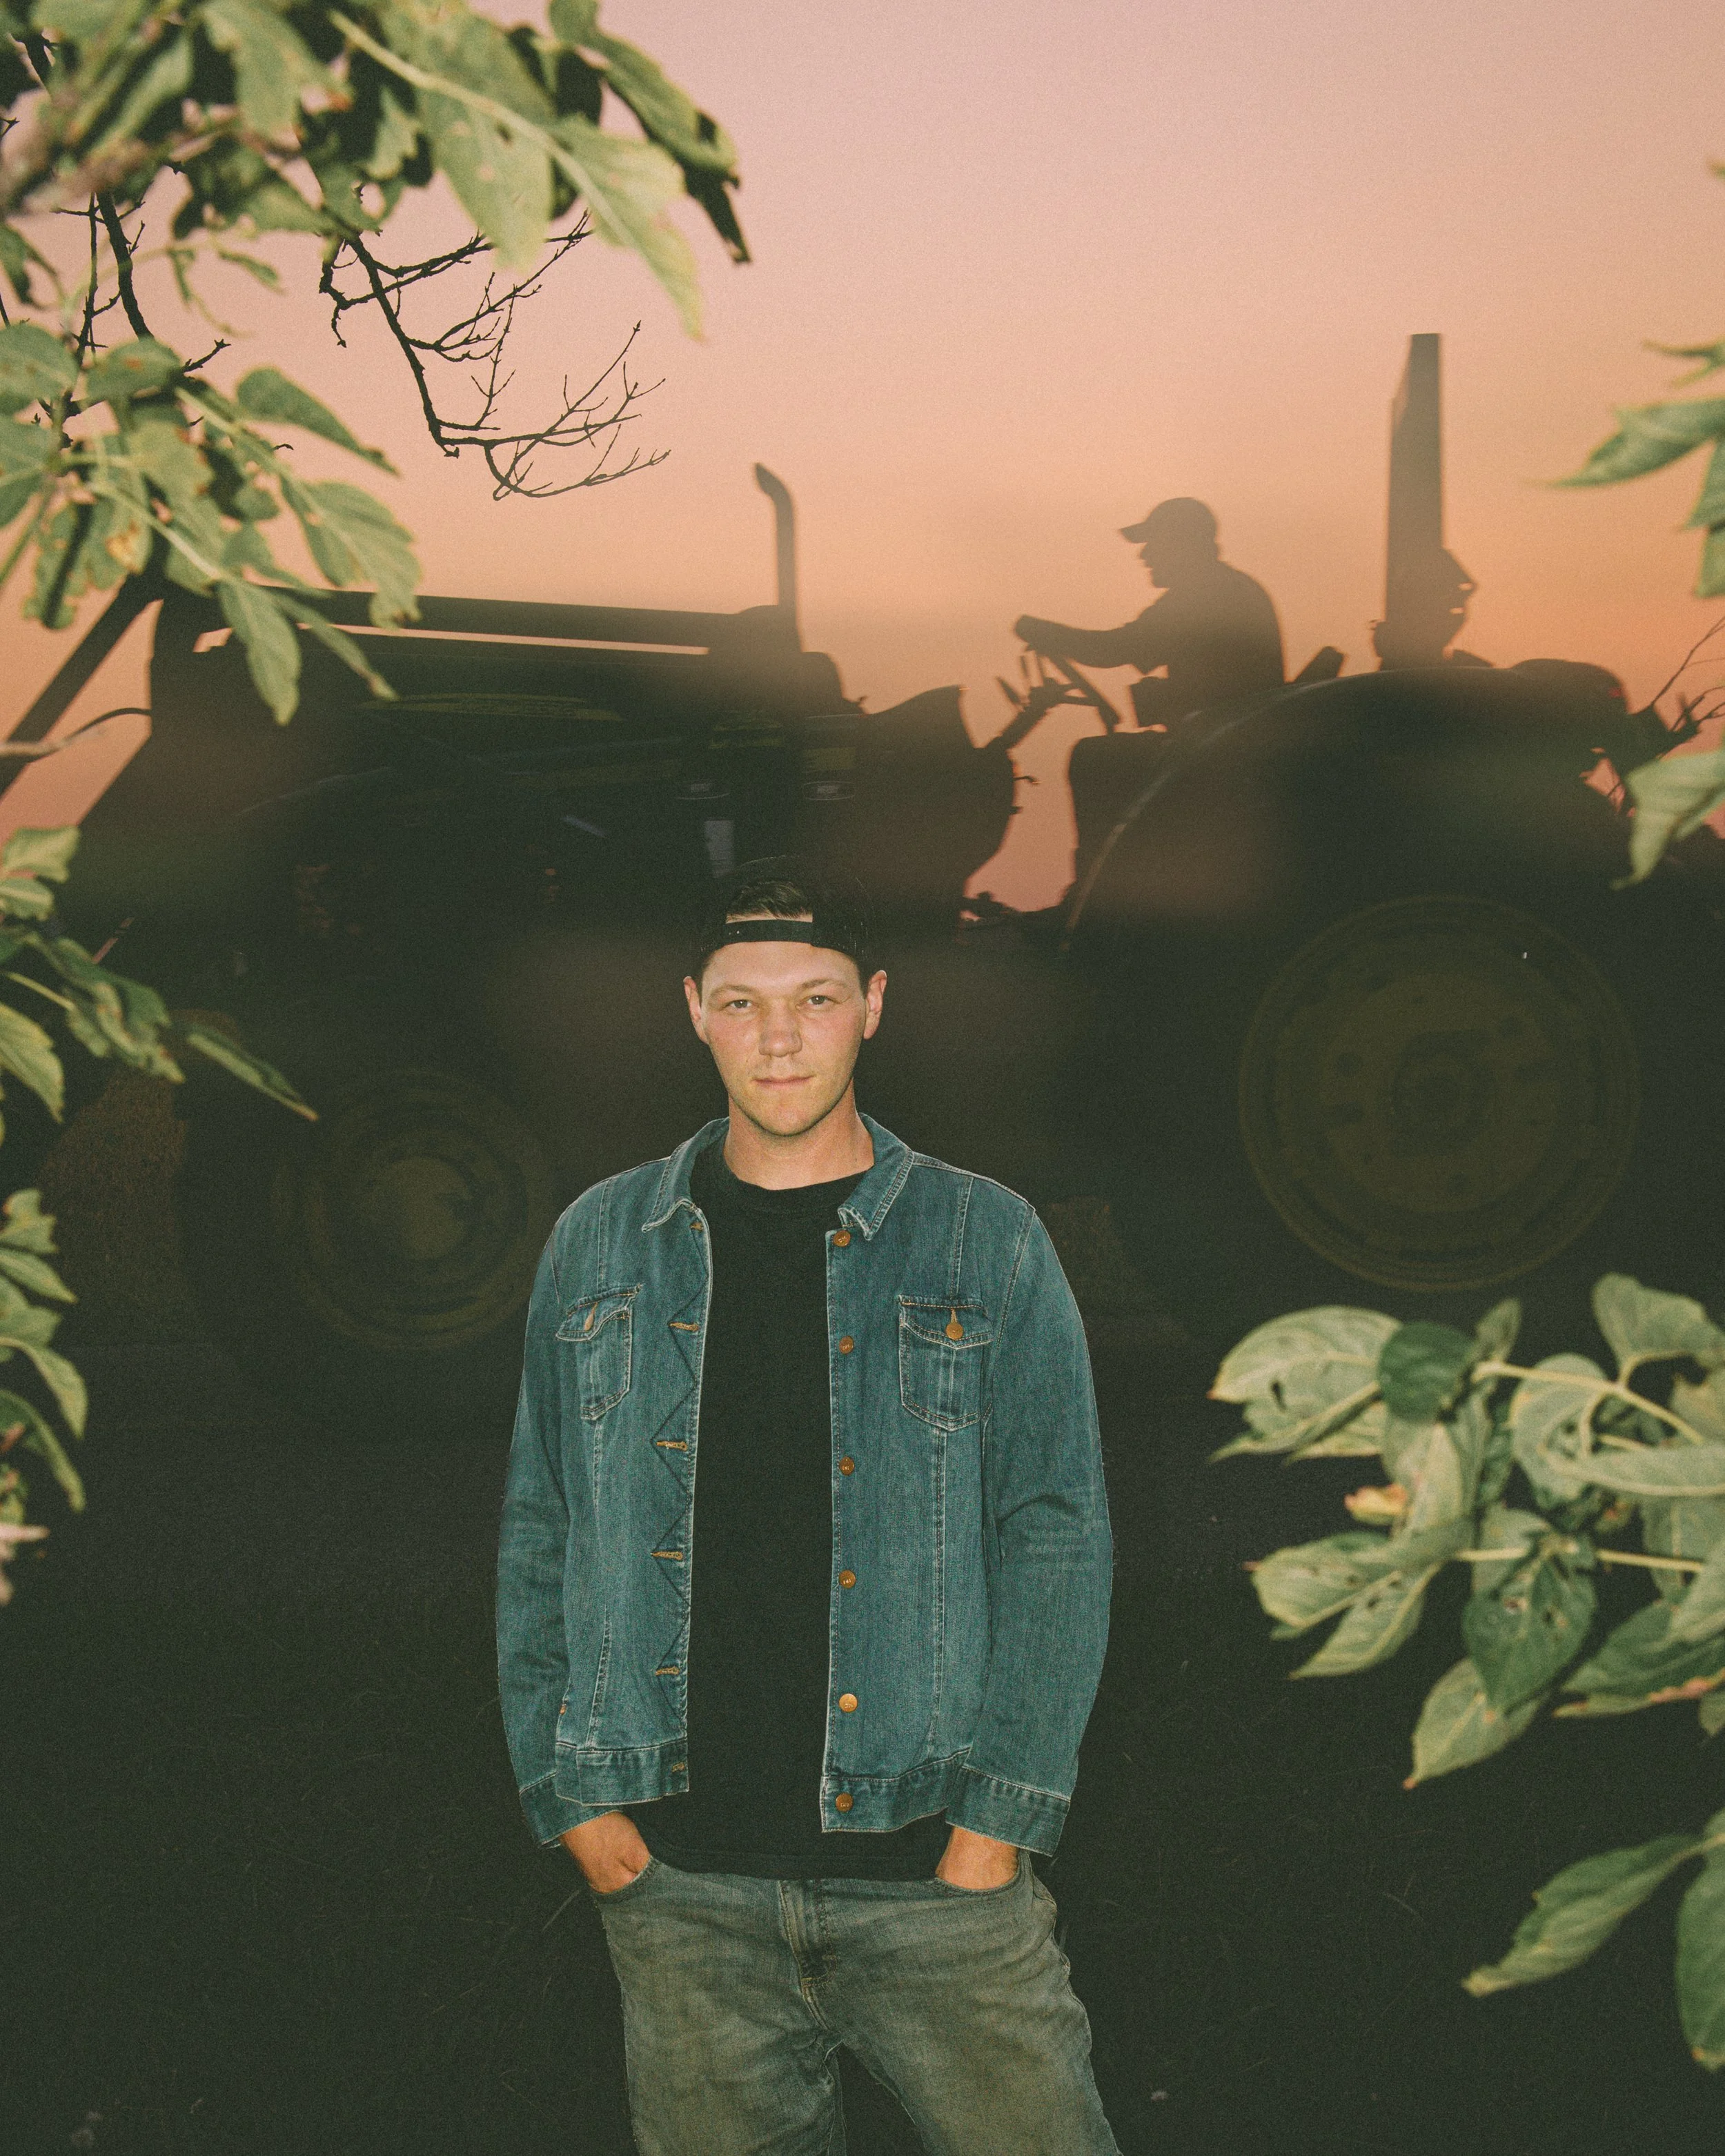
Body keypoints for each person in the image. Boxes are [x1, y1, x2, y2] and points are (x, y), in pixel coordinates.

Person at [496, 858, 1118, 2155]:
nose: (779, 1037)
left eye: (817, 997)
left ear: (874, 1005)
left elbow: (1057, 1531)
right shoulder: (599, 1243)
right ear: (693, 1010)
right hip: (683, 1898)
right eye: (742, 1003)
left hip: (934, 1887)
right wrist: (585, 1815)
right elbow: (538, 1527)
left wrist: (996, 1826)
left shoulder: (982, 1239)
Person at [1015, 495, 1285, 727]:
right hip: (1228, 732)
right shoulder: (1232, 587)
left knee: (1095, 759)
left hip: (1219, 741)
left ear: (1179, 544)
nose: (1144, 556)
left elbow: (1112, 650)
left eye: (1154, 543)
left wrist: (1041, 632)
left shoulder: (1199, 598)